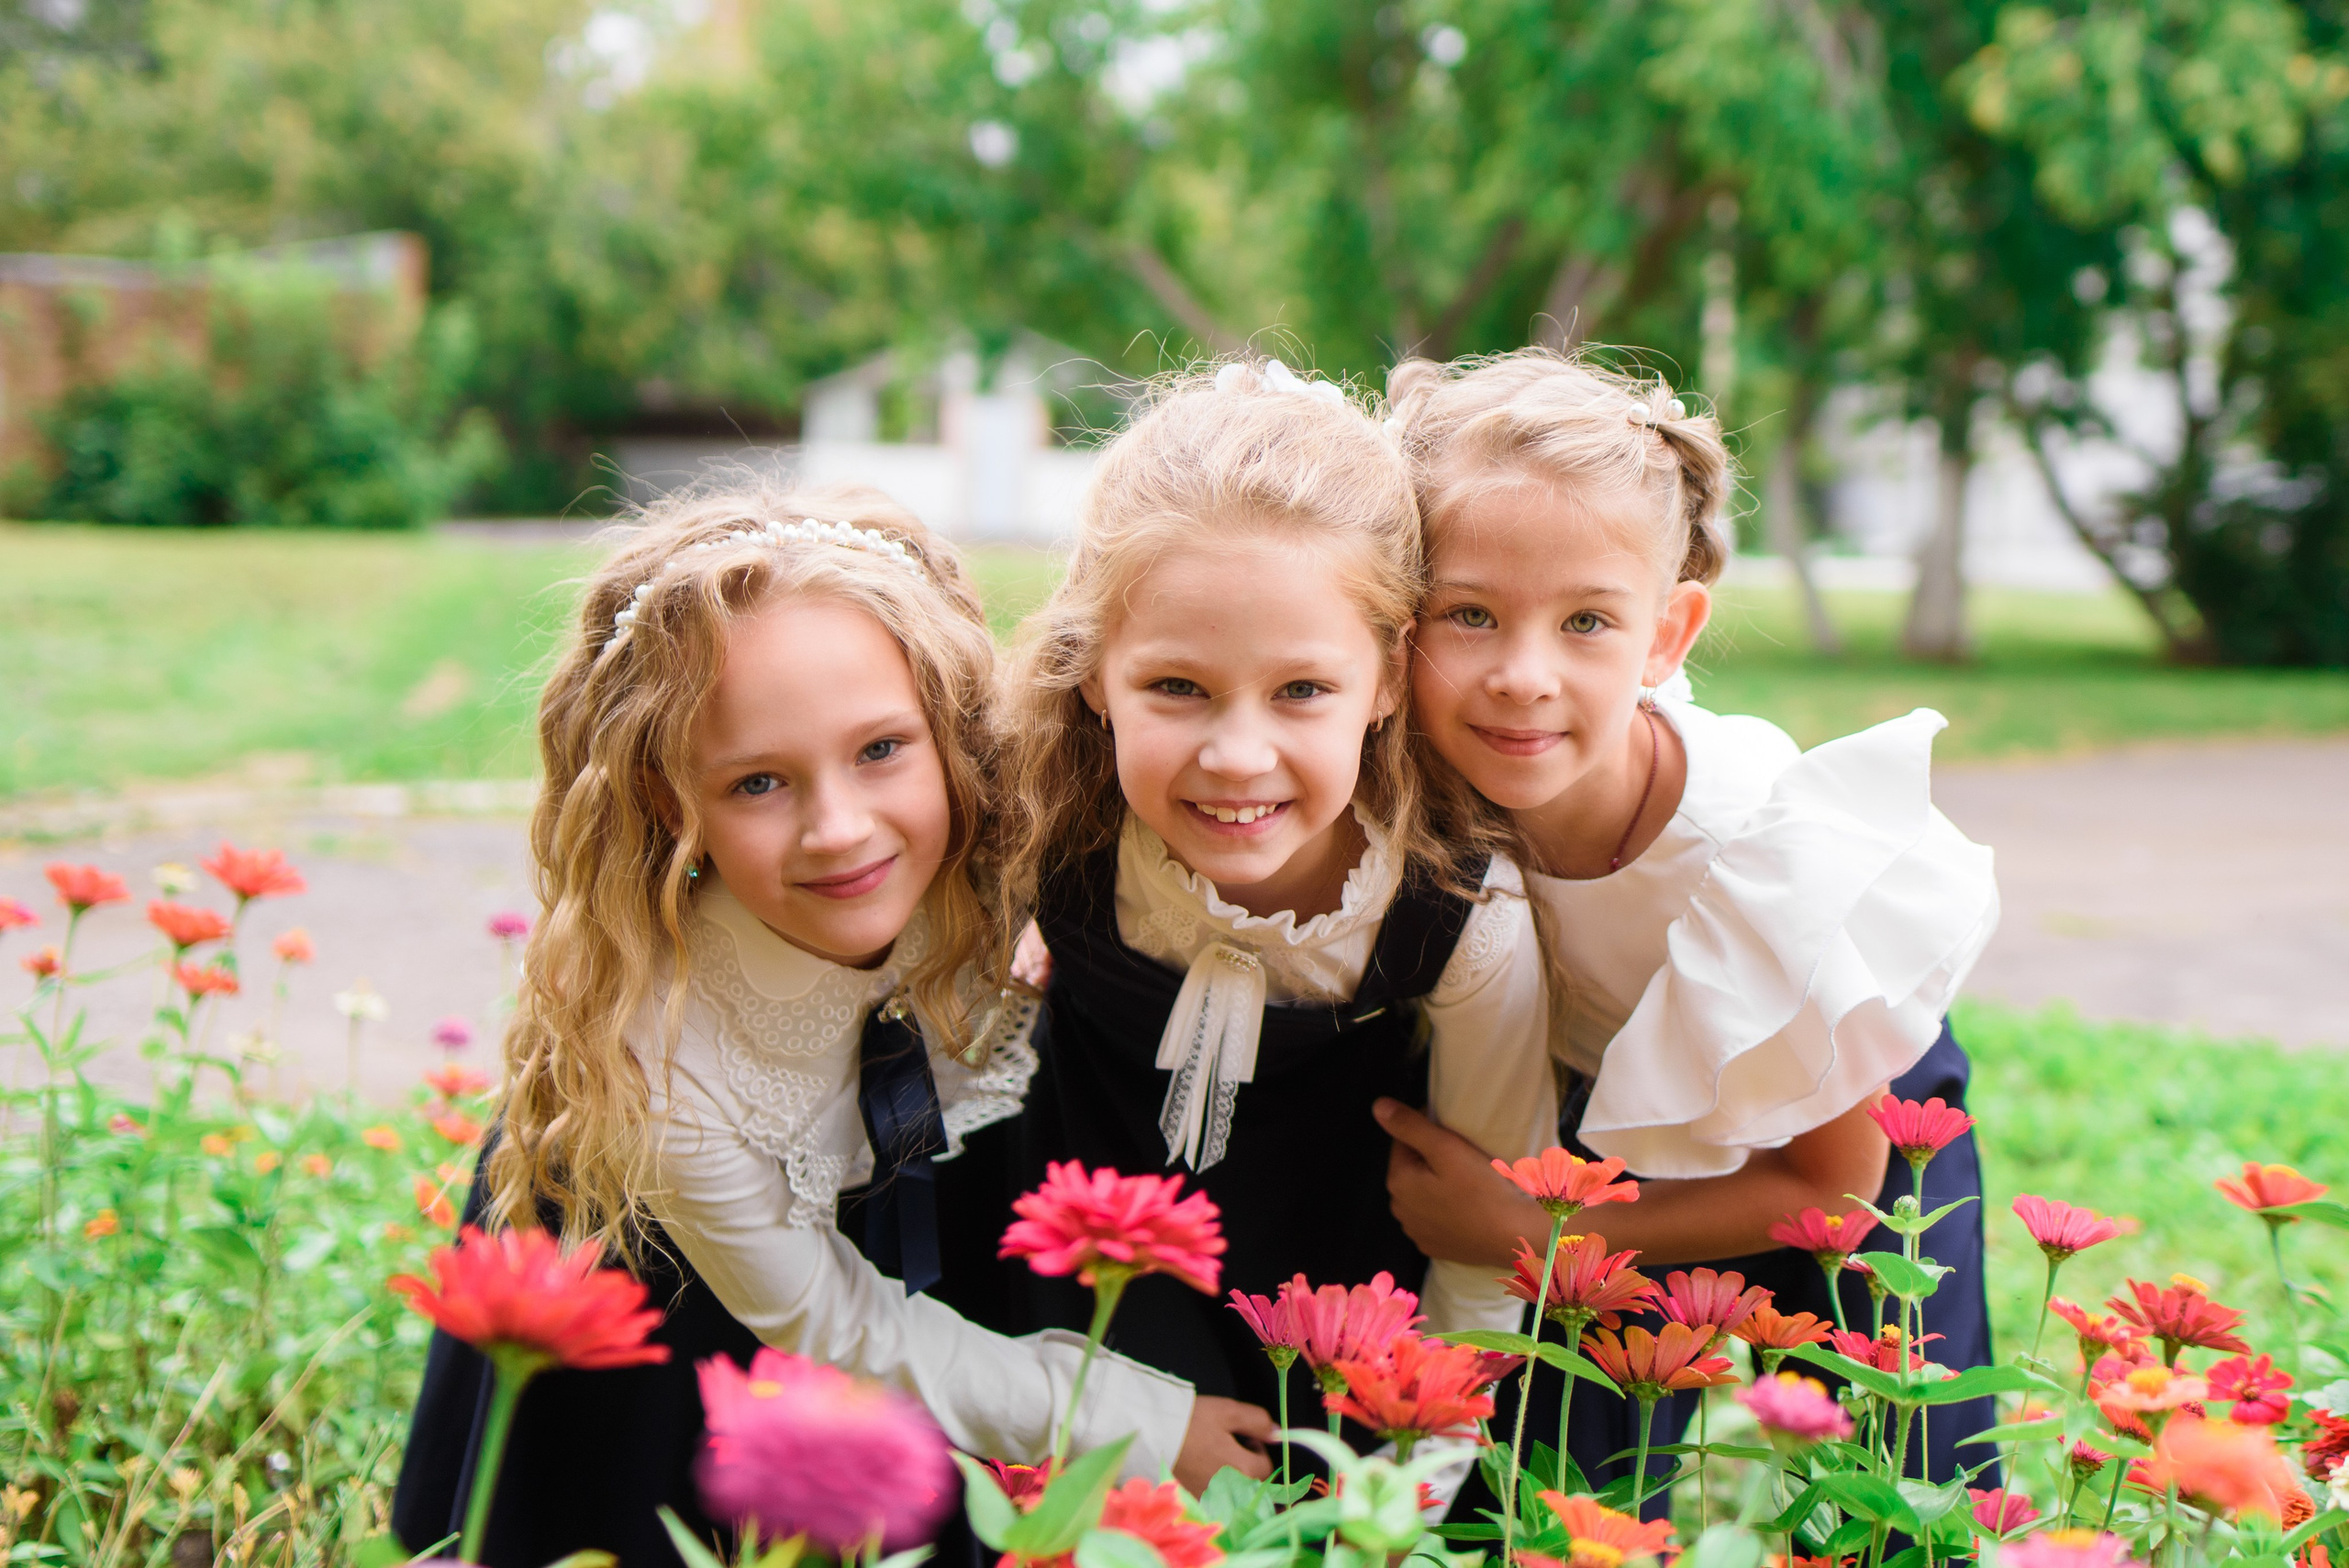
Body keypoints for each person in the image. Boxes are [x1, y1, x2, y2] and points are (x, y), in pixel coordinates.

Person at [393, 482, 1273, 1568]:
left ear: (950, 732)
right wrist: (1138, 1422)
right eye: (758, 780)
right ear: (676, 806)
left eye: (880, 750)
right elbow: (836, 1327)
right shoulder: (661, 1061)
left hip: (934, 1243)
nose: (839, 828)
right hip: (690, 1309)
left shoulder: (1010, 842)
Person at [1375, 350, 2001, 1502]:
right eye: (1468, 613)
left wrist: (1527, 1229)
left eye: (1585, 621)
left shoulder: (1740, 846)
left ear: (1667, 634)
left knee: (1896, 1467)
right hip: (1605, 1116)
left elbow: (1826, 1189)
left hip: (1841, 1115)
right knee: (1555, 1480)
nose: (1521, 674)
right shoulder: (1409, 768)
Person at [981, 361, 1555, 1433]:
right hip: (1078, 1313)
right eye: (1176, 687)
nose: (1237, 755)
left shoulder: (1457, 914)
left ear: (1388, 677)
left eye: (1301, 690)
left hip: (1354, 1334)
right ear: (1094, 669)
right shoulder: (1042, 819)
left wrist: (1396, 1489)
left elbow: (1482, 1256)